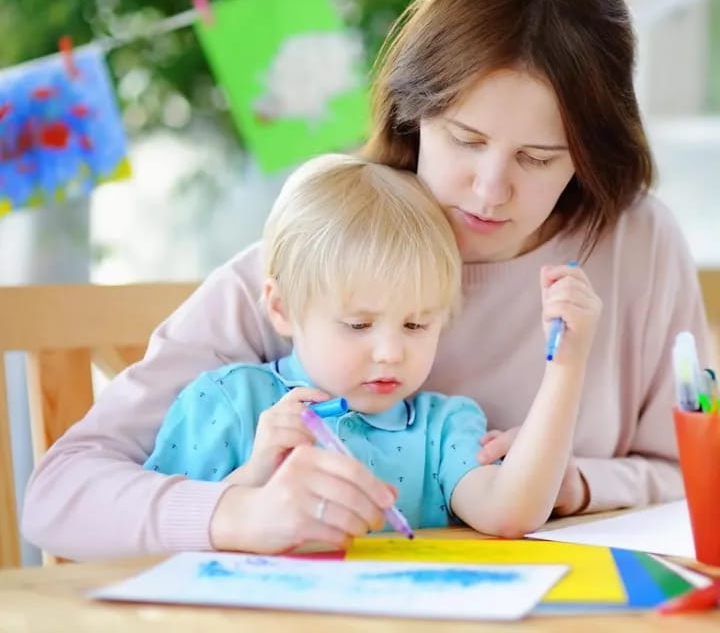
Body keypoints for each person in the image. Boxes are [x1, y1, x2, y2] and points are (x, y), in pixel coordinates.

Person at [22, 0, 709, 561]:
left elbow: (699, 470)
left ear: (589, 155)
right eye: (465, 141)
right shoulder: (324, 251)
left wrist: (573, 481)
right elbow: (60, 493)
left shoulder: (638, 244)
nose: (490, 189)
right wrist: (235, 515)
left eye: (538, 158)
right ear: (413, 113)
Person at [142, 153, 600, 542]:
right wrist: (252, 478)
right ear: (280, 308)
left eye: (417, 324)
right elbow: (151, 535)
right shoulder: (230, 403)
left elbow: (510, 512)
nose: (390, 352)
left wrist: (567, 367)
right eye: (358, 324)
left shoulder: (442, 429)